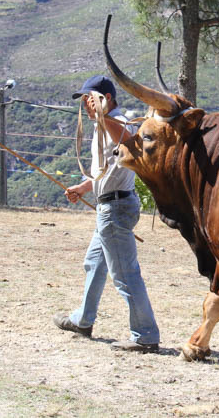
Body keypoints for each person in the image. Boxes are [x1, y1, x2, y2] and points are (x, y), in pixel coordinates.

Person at [53, 75, 160, 353]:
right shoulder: (104, 125)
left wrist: (102, 116)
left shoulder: (119, 122)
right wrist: (83, 188)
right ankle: (83, 320)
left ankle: (145, 335)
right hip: (109, 206)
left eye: (90, 99)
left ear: (106, 99)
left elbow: (129, 142)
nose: (86, 105)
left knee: (125, 274)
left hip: (115, 208)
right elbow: (106, 170)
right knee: (94, 263)